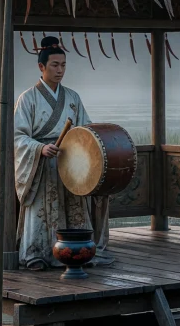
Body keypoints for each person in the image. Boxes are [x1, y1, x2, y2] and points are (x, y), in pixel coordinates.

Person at [12, 37, 110, 270]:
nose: (60, 70)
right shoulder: (27, 99)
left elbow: (86, 129)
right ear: (41, 67)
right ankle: (37, 254)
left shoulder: (73, 97)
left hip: (71, 163)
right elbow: (17, 136)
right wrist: (39, 148)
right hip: (42, 165)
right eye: (55, 65)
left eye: (63, 65)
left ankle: (78, 252)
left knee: (76, 208)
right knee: (43, 211)